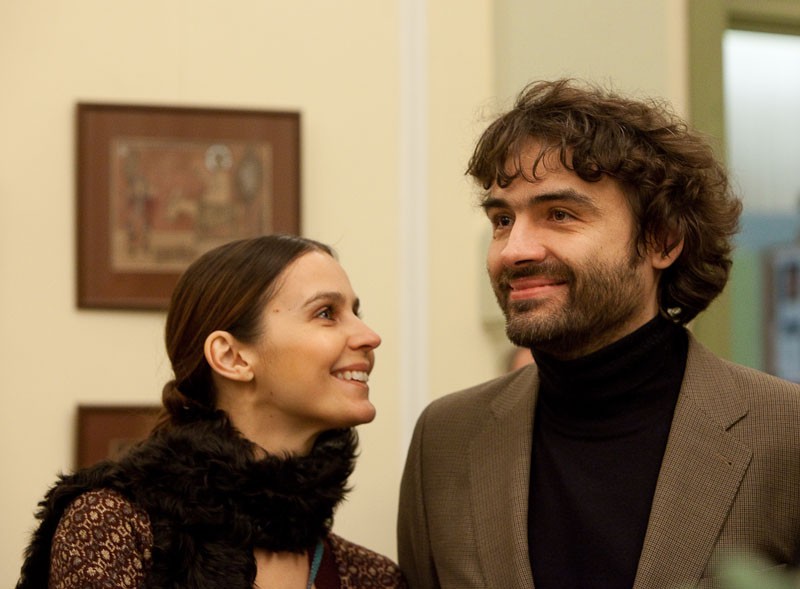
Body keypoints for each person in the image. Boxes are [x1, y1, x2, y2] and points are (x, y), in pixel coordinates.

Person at [397, 79, 800, 589]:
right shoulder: (445, 439)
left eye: (559, 215)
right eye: (502, 219)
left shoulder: (785, 432)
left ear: (662, 240)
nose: (514, 249)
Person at [18, 235, 407, 589]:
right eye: (326, 313)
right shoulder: (114, 528)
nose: (369, 336)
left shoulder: (374, 578)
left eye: (356, 312)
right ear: (231, 357)